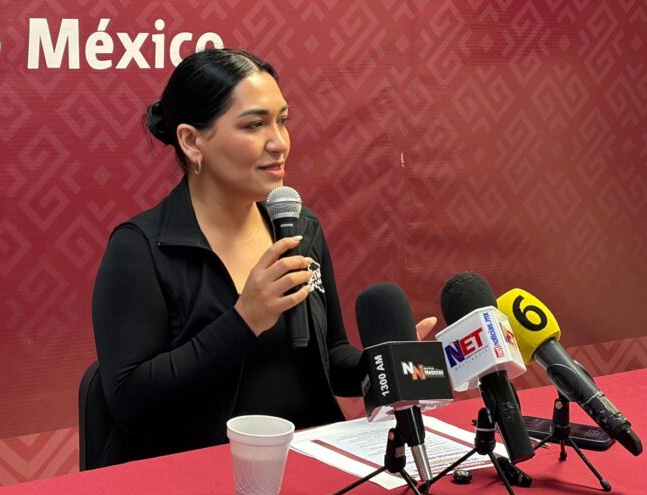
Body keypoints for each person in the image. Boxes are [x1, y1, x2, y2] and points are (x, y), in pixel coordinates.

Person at [91, 48, 435, 467]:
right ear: (192, 140)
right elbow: (128, 402)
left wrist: (382, 367)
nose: (279, 143)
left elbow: (330, 354)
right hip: (196, 470)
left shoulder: (299, 227)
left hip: (310, 459)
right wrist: (244, 321)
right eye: (254, 125)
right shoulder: (141, 247)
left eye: (282, 120)